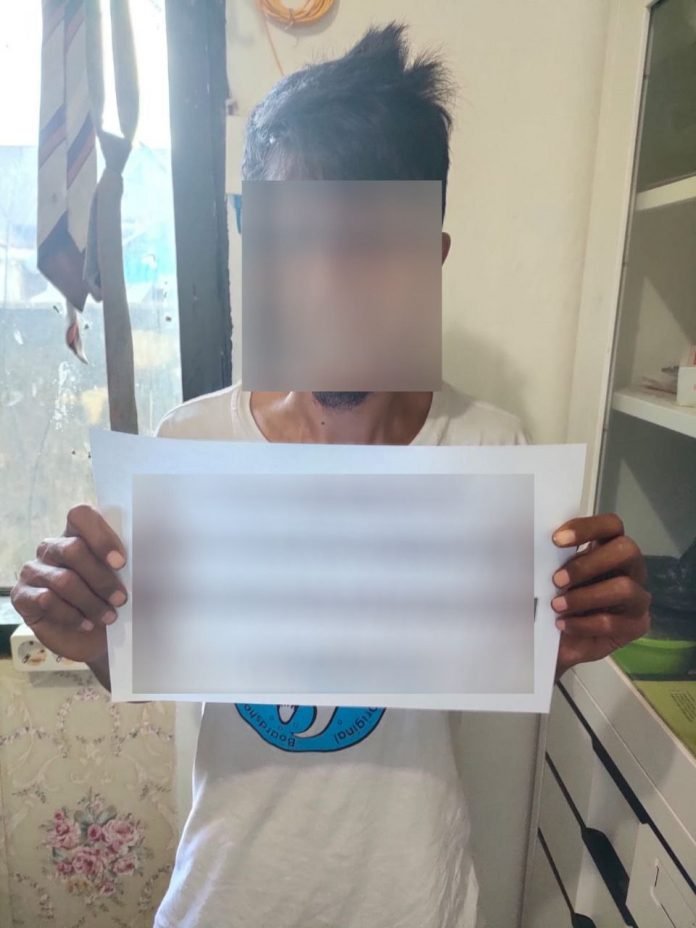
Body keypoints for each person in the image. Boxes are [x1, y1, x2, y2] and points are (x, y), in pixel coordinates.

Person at [10, 22, 651, 928]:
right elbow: (154, 662)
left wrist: (578, 631)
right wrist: (83, 632)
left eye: (372, 248)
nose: (329, 286)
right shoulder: (191, 444)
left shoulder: (491, 453)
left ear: (430, 259)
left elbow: (497, 670)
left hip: (418, 904)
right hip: (225, 902)